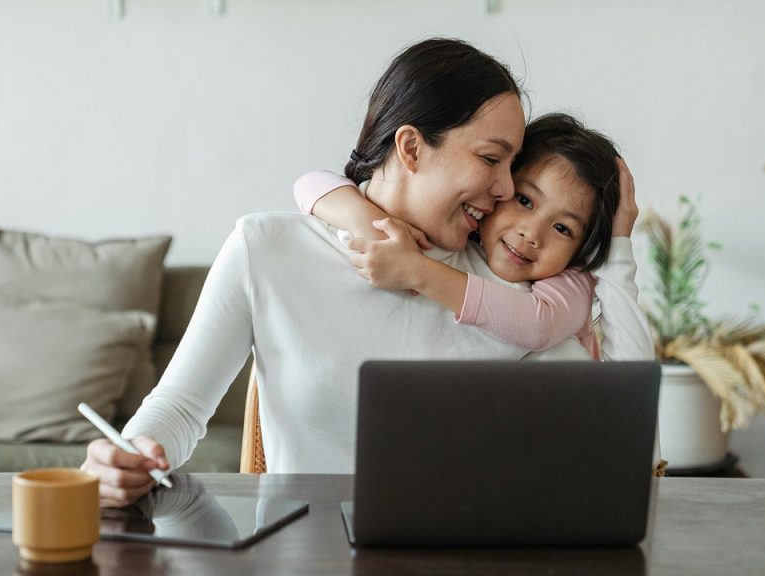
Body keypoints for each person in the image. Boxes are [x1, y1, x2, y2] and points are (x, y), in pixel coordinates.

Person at [82, 37, 651, 507]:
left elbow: (620, 435)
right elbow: (180, 408)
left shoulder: (514, 292)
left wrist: (619, 248)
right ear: (411, 148)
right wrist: (127, 455)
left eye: (512, 166)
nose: (505, 189)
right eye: (490, 159)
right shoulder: (268, 249)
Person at [292, 113, 648, 359]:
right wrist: (369, 224)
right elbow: (310, 182)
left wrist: (417, 271)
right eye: (524, 200)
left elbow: (538, 324)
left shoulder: (571, 281)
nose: (531, 234)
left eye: (563, 228)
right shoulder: (460, 237)